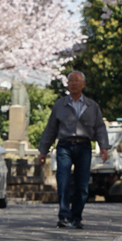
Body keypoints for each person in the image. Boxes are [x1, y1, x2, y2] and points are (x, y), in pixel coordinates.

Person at [38, 71, 109, 229]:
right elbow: (50, 129)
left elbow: (100, 128)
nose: (73, 83)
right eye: (71, 81)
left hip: (84, 146)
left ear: (83, 84)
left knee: (82, 184)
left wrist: (104, 147)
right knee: (63, 180)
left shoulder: (92, 105)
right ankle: (64, 216)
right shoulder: (60, 104)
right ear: (67, 84)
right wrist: (43, 151)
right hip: (64, 145)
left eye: (77, 81)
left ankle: (76, 216)